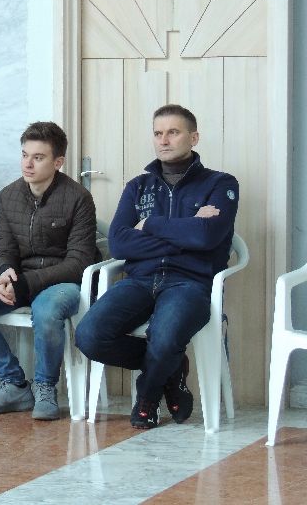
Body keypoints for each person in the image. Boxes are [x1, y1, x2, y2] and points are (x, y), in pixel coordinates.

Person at [75, 104, 239, 429]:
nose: (163, 140)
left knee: (164, 339)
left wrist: (150, 224)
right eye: (158, 133)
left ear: (193, 137)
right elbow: (119, 243)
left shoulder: (220, 184)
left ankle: (147, 398)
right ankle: (171, 369)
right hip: (140, 280)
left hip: (190, 283)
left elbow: (207, 236)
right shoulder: (138, 186)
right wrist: (186, 231)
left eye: (173, 132)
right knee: (89, 336)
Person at [0, 122, 97, 419]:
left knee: (46, 309)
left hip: (63, 282)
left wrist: (23, 283)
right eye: (25, 155)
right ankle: (15, 383)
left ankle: (45, 386)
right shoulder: (9, 195)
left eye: (38, 157)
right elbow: (5, 248)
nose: (28, 164)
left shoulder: (78, 197)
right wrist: (5, 272)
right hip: (21, 280)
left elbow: (78, 263)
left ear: (58, 162)